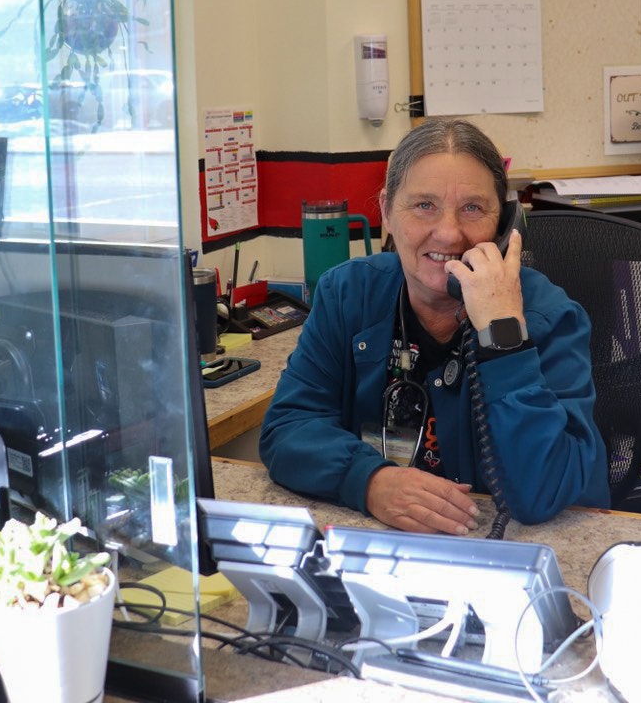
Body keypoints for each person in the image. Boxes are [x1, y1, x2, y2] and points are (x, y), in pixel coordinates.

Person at [259, 119, 608, 535]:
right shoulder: (348, 293)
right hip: (384, 554)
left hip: (517, 558)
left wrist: (503, 335)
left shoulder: (549, 317)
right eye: (424, 205)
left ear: (506, 224)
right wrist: (369, 481)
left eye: (473, 208)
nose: (448, 232)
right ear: (387, 211)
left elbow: (542, 493)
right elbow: (288, 428)